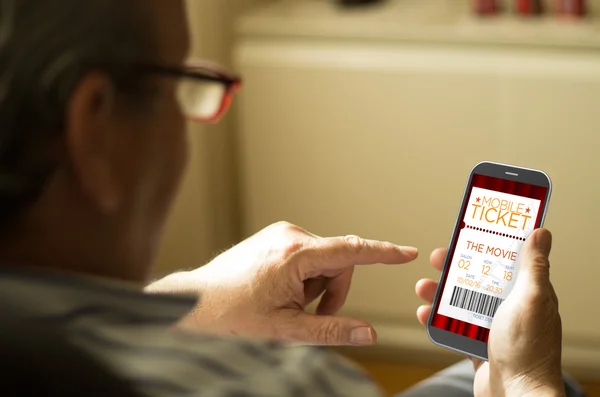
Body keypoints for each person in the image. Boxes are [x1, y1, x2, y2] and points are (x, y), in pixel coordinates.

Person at [0, 0, 584, 396]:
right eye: (179, 83)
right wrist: (533, 382)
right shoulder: (278, 381)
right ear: (95, 131)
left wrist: (191, 304)